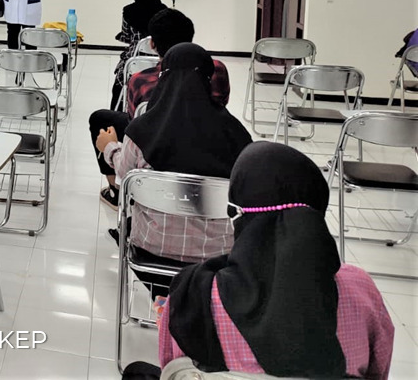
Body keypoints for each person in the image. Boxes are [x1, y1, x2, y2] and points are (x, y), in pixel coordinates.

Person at [158, 142, 394, 379]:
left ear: (240, 216)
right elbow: (379, 371)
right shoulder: (361, 291)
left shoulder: (193, 297)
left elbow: (171, 369)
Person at [97, 43, 251, 285]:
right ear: (208, 80)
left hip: (150, 254)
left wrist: (109, 147)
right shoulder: (237, 135)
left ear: (162, 77)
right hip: (215, 266)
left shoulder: (141, 130)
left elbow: (126, 179)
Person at [89, 8, 232, 210]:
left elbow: (134, 125)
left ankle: (117, 192)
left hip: (155, 145)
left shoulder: (140, 80)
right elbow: (221, 104)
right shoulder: (217, 69)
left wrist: (112, 146)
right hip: (207, 140)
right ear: (190, 39)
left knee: (100, 119)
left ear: (153, 44)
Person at [110, 0, 167, 110]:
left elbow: (127, 37)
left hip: (134, 62)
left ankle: (116, 113)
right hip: (159, 62)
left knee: (119, 85)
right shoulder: (164, 12)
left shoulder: (128, 11)